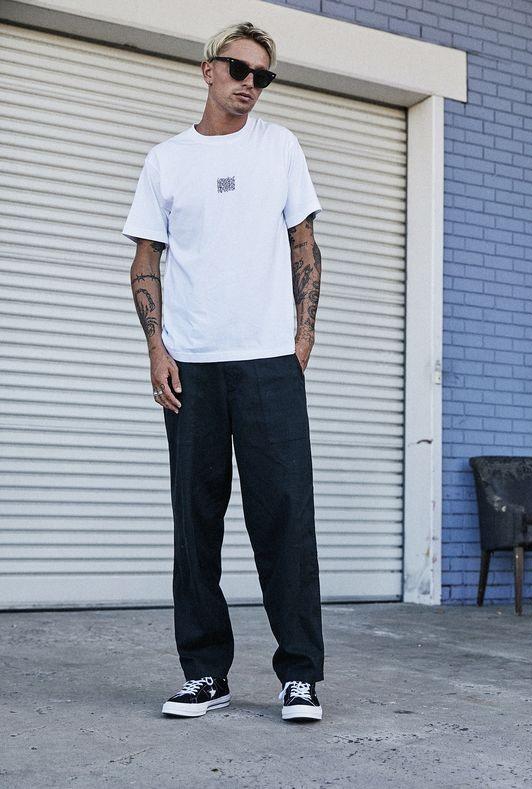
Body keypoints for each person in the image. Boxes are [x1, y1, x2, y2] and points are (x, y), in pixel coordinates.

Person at [122, 21, 324, 723]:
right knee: (195, 524)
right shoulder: (167, 161)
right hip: (194, 369)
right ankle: (205, 673)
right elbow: (145, 259)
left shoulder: (280, 146)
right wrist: (157, 348)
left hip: (269, 365)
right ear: (207, 69)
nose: (250, 84)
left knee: (285, 519)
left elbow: (305, 243)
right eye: (239, 69)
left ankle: (300, 676)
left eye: (262, 76)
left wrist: (302, 335)